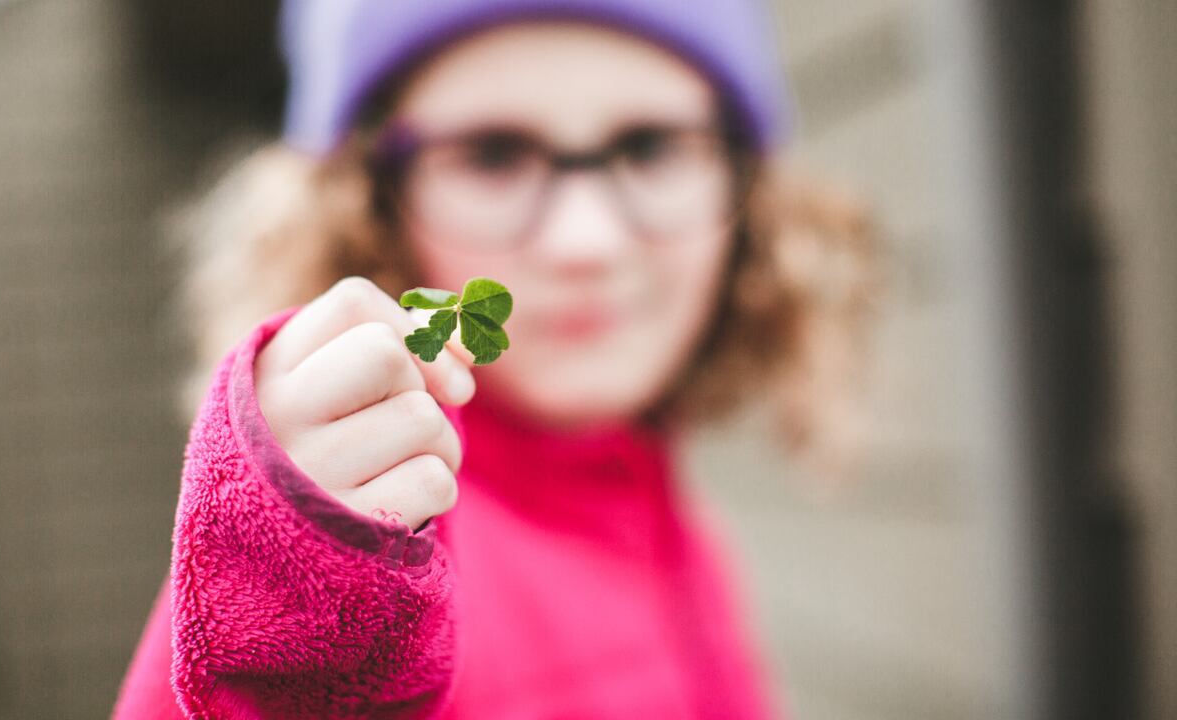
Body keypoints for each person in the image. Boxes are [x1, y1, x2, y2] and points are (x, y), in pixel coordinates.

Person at [113, 0, 876, 717]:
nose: (587, 241)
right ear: (363, 198)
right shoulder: (375, 570)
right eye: (492, 154)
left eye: (650, 147)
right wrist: (301, 582)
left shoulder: (687, 536)